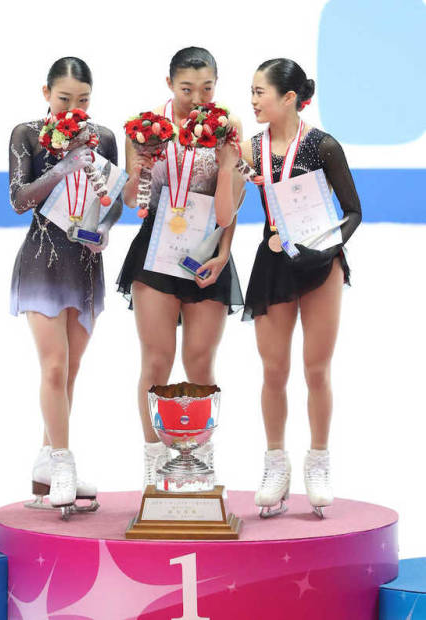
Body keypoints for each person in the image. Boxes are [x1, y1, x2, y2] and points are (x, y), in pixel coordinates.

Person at [214, 58, 362, 517]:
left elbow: (353, 211)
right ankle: (275, 461)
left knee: (316, 370)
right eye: (252, 91)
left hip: (321, 264)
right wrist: (229, 170)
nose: (252, 100)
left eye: (260, 92)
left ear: (289, 99)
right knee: (273, 370)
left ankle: (318, 460)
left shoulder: (323, 146)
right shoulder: (251, 148)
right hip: (275, 261)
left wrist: (327, 250)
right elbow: (227, 211)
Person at [117, 47, 244, 487]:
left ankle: (201, 458)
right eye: (187, 88)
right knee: (156, 362)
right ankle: (155, 459)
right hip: (156, 252)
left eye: (207, 88)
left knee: (200, 363)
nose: (197, 98)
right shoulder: (146, 126)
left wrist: (224, 253)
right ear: (169, 84)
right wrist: (143, 164)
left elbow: (229, 212)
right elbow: (133, 200)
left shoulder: (228, 127)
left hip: (207, 254)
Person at [9, 57, 122, 514]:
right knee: (53, 367)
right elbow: (19, 199)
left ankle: (45, 462)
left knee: (70, 371)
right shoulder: (27, 134)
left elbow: (110, 201)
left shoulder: (105, 139)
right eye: (64, 99)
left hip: (84, 263)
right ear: (46, 93)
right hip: (42, 257)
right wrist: (63, 166)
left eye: (83, 101)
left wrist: (107, 230)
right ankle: (63, 465)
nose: (73, 108)